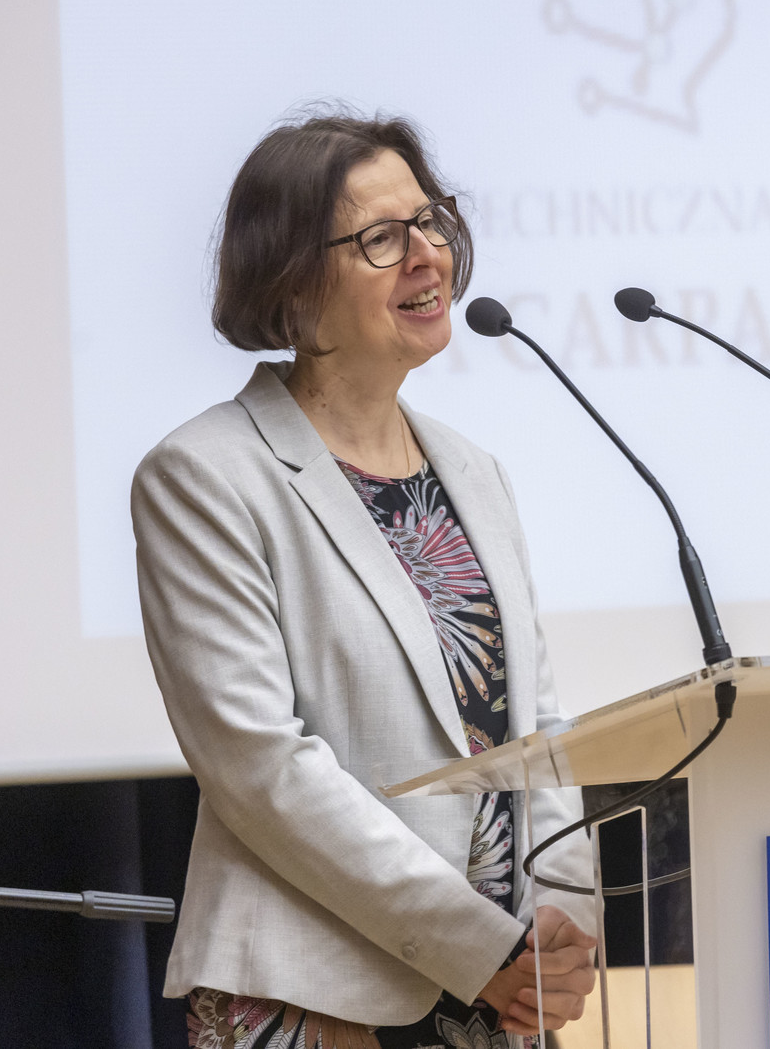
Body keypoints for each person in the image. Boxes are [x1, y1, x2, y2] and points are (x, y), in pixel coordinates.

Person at [131, 110, 597, 1047]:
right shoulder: (205, 477)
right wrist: (480, 948)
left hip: (498, 997)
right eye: (382, 238)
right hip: (313, 997)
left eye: (431, 221)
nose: (427, 255)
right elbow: (262, 768)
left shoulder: (474, 473)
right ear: (294, 286)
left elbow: (537, 722)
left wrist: (560, 915)